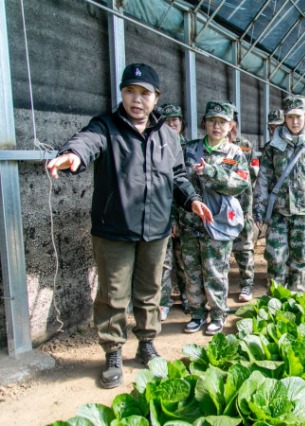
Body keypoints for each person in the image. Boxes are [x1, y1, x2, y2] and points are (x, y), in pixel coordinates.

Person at [46, 63, 212, 389]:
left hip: (156, 229)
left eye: (144, 93)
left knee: (151, 291)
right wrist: (73, 156)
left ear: (156, 97)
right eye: (129, 91)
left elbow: (177, 175)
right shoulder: (106, 127)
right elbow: (87, 142)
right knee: (113, 295)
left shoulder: (167, 135)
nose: (136, 99)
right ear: (122, 93)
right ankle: (112, 353)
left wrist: (191, 199)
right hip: (114, 230)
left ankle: (147, 344)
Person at [180, 101, 250, 335]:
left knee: (215, 271)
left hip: (218, 221)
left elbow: (239, 184)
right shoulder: (189, 149)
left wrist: (211, 171)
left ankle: (218, 314)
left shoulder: (234, 154)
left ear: (231, 125)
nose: (217, 126)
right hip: (190, 221)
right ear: (205, 123)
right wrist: (174, 219)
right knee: (192, 270)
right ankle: (197, 313)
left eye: (222, 122)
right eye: (212, 121)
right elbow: (176, 183)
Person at [254, 96, 305, 291]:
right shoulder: (274, 146)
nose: (294, 122)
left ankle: (296, 296)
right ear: (284, 119)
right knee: (275, 256)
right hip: (279, 211)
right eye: (290, 117)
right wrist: (258, 209)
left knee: (300, 257)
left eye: (298, 116)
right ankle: (276, 298)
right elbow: (263, 179)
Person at [159, 104, 189, 320]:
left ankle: (189, 298)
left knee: (186, 260)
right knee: (164, 261)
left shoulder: (192, 148)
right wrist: (170, 218)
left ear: (181, 123)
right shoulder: (158, 148)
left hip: (188, 214)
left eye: (175, 120)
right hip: (165, 215)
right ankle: (163, 301)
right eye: (167, 120)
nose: (172, 124)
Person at [229, 110, 258, 302]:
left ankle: (247, 285)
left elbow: (254, 171)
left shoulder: (246, 145)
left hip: (243, 204)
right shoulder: (210, 146)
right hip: (219, 209)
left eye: (231, 122)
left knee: (245, 247)